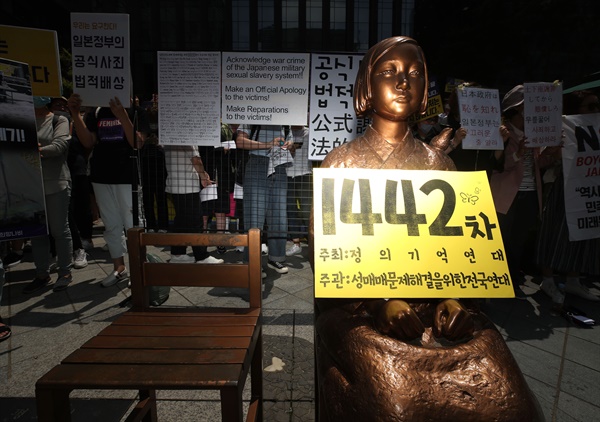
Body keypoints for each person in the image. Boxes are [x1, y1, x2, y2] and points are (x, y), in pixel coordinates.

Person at [311, 36, 542, 422]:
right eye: (390, 72)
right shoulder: (342, 163)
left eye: (414, 73)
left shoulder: (440, 165)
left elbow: (457, 251)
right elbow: (329, 256)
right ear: (367, 86)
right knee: (395, 404)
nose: (404, 81)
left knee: (509, 398)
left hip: (438, 306)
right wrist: (381, 302)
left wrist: (452, 300)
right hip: (363, 313)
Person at [68, 94, 149, 287]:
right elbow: (88, 141)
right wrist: (75, 113)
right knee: (111, 224)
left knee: (133, 225)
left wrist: (122, 116)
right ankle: (119, 268)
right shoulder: (97, 112)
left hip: (127, 176)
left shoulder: (137, 111)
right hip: (101, 175)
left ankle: (139, 270)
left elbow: (137, 143)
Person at [488, 85, 559, 297]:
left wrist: (553, 152)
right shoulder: (503, 132)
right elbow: (501, 165)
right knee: (502, 238)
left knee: (519, 239)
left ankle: (513, 278)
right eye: (526, 109)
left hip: (529, 194)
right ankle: (497, 279)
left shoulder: (534, 134)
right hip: (506, 195)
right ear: (516, 110)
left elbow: (539, 163)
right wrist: (518, 152)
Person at [536, 89, 600, 303]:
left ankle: (573, 280)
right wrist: (554, 150)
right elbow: (543, 161)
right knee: (554, 233)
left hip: (587, 189)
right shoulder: (561, 129)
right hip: (562, 188)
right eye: (590, 106)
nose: (596, 110)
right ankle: (548, 280)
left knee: (583, 233)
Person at [22, 96, 74, 293]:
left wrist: (36, 150)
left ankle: (65, 272)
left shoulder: (58, 119)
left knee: (60, 230)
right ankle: (41, 274)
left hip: (56, 182)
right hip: (29, 184)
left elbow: (60, 146)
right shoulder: (20, 120)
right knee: (37, 233)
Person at [235, 124, 293, 274]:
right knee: (254, 215)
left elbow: (291, 146)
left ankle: (276, 257)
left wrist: (288, 145)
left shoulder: (286, 121)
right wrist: (268, 145)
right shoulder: (254, 115)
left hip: (279, 165)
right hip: (257, 162)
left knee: (279, 215)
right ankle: (252, 262)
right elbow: (240, 141)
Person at [48, 96, 91, 268]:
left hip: (77, 171)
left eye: (64, 104)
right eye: (57, 104)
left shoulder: (76, 124)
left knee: (79, 210)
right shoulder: (49, 124)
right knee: (64, 213)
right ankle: (55, 253)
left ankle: (79, 247)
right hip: (57, 174)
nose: (62, 107)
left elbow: (87, 145)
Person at [164, 145, 224, 264]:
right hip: (187, 184)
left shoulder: (171, 132)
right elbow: (196, 159)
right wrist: (203, 176)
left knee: (181, 220)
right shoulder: (187, 132)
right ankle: (202, 256)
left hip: (175, 182)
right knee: (196, 220)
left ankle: (178, 254)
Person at [286, 125, 312, 256]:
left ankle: (313, 242)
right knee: (291, 210)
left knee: (307, 211)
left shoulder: (311, 132)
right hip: (287, 175)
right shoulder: (285, 131)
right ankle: (296, 244)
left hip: (305, 174)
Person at [140, 132, 169, 233]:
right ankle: (151, 225)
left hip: (159, 174)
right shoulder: (144, 147)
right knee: (149, 201)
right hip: (148, 174)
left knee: (160, 200)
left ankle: (162, 226)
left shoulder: (161, 147)